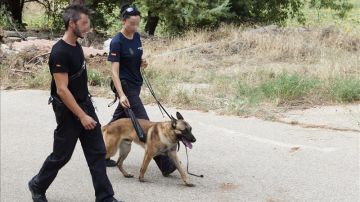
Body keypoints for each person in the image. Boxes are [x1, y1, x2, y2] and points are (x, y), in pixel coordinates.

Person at [28, 5, 120, 202]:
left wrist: (87, 109)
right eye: (84, 23)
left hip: (84, 105)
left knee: (97, 152)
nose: (88, 27)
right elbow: (62, 90)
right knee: (62, 155)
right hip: (70, 112)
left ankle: (105, 197)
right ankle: (37, 184)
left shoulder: (76, 46)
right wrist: (82, 115)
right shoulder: (59, 52)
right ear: (72, 23)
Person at [105, 4, 177, 177]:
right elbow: (114, 71)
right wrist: (121, 94)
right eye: (131, 24)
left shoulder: (136, 37)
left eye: (137, 23)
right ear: (123, 21)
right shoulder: (117, 41)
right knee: (143, 123)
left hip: (136, 84)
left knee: (119, 119)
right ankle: (165, 164)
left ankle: (98, 150)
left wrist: (142, 62)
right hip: (125, 85)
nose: (135, 27)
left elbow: (136, 59)